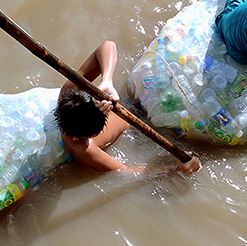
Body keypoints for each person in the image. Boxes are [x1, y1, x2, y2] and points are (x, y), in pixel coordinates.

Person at [54, 40, 202, 175]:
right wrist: (176, 168)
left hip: (134, 102)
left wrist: (106, 80)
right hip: (143, 125)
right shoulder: (83, 149)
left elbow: (108, 45)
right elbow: (124, 171)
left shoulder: (69, 92)